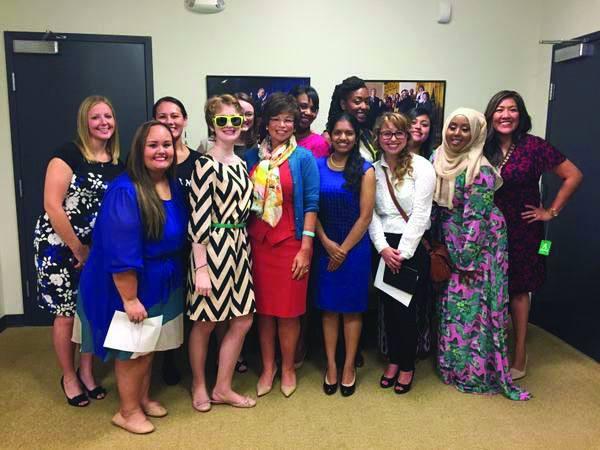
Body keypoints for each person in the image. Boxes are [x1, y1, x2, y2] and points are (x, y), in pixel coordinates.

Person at [77, 120, 187, 433]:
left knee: (147, 345)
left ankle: (141, 398)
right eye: (153, 145)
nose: (161, 151)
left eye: (166, 144)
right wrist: (129, 298)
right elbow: (121, 252)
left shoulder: (171, 185)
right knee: (132, 350)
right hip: (131, 283)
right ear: (139, 150)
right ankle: (126, 411)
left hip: (162, 280)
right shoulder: (125, 191)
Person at [483, 90, 583, 380]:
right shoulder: (481, 147)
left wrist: (550, 211)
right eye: (499, 109)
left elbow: (573, 175)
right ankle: (491, 350)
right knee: (491, 288)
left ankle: (519, 353)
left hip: (525, 228)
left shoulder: (535, 147)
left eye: (512, 109)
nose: (505, 115)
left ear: (521, 115)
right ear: (490, 115)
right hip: (488, 229)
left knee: (518, 289)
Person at [432, 107, 530, 401]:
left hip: (480, 247)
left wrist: (465, 259)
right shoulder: (439, 159)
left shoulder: (481, 168)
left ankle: (475, 371)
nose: (457, 134)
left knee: (476, 310)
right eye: (453, 127)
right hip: (453, 241)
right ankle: (453, 366)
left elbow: (477, 218)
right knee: (454, 307)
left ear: (476, 133)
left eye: (465, 129)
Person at [33, 95, 123, 407]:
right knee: (67, 315)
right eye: (96, 117)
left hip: (95, 249)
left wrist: (92, 250)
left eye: (108, 116)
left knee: (90, 309)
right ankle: (69, 375)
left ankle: (87, 371)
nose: (103, 123)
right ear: (85, 122)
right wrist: (77, 248)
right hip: (60, 246)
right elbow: (52, 206)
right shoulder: (67, 154)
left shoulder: (115, 161)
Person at [244, 93, 319, 398]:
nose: (282, 125)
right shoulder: (251, 156)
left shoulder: (302, 158)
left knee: (288, 313)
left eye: (288, 119)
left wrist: (306, 247)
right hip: (259, 243)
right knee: (264, 312)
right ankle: (267, 367)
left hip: (291, 242)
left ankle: (288, 367)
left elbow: (312, 203)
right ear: (266, 122)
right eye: (276, 118)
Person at [187, 94, 256, 412]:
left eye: (236, 120)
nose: (231, 126)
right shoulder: (204, 164)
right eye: (223, 121)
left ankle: (223, 386)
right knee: (205, 322)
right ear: (212, 125)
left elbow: (246, 209)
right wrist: (201, 268)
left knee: (242, 319)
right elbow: (198, 218)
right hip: (211, 249)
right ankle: (199, 383)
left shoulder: (242, 164)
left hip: (240, 248)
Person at [369, 112, 435, 394]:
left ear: (407, 136)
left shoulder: (422, 167)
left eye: (398, 133)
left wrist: (403, 252)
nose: (392, 139)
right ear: (378, 138)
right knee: (389, 310)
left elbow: (421, 213)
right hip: (383, 245)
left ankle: (407, 365)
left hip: (411, 246)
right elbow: (369, 213)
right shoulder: (372, 169)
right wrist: (383, 248)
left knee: (407, 310)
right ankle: (394, 360)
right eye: (386, 134)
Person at [314, 112, 375, 396]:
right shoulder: (316, 166)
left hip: (355, 250)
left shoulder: (366, 169)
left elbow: (365, 217)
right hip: (324, 246)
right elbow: (311, 209)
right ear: (329, 134)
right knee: (328, 310)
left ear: (356, 136)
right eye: (337, 132)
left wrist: (344, 250)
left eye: (348, 133)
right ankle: (331, 366)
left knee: (351, 311)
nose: (342, 138)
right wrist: (326, 242)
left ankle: (349, 366)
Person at [153, 96, 201, 385]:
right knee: (165, 302)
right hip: (163, 245)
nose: (170, 121)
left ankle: (192, 360)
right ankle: (167, 359)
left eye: (175, 115)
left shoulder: (198, 160)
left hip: (194, 242)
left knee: (192, 302)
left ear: (184, 120)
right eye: (162, 116)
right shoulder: (154, 159)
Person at [326, 76, 378, 162]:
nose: (364, 106)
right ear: (343, 104)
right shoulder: (328, 138)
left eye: (367, 102)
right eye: (357, 102)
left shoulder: (368, 134)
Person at [290, 85, 330, 158]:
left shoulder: (319, 144)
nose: (308, 112)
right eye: (303, 106)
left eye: (313, 109)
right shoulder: (281, 137)